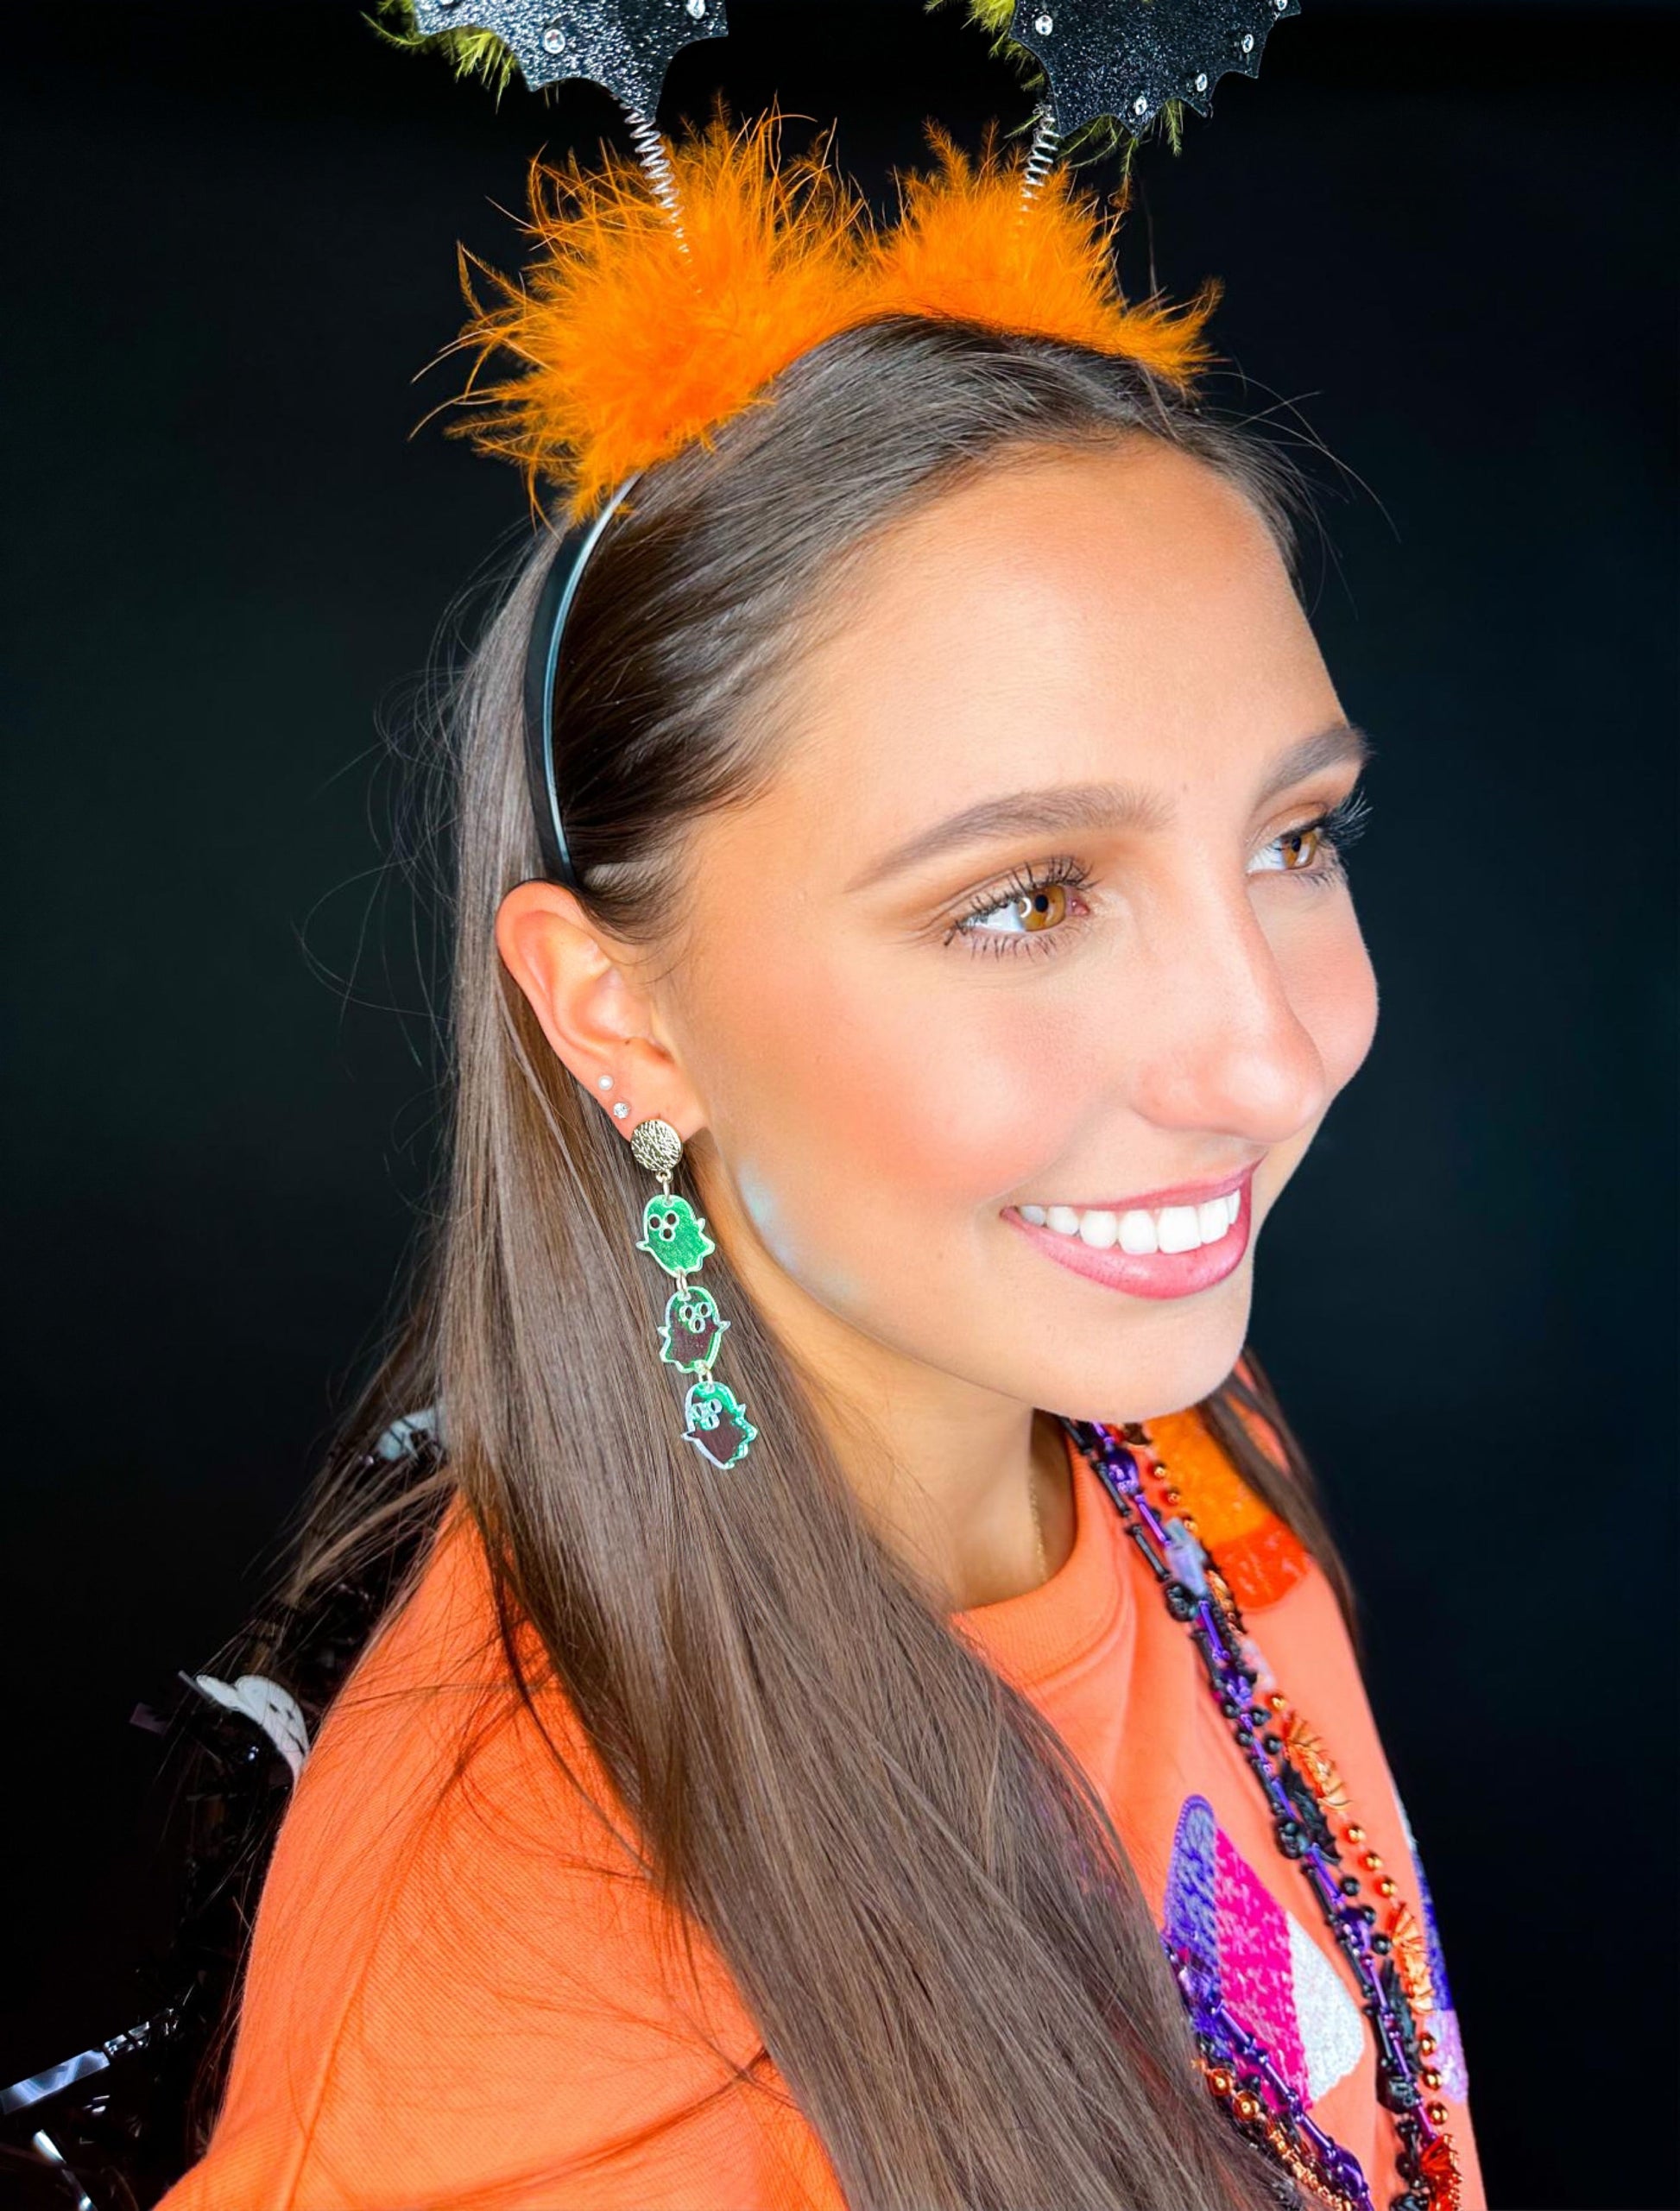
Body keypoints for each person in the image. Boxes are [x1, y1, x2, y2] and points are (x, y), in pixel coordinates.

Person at [154, 110, 1485, 2211]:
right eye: (1026, 898)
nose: (1265, 1055)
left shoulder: (1179, 1447)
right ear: (622, 1016)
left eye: (1294, 837)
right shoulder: (540, 1986)